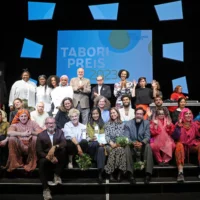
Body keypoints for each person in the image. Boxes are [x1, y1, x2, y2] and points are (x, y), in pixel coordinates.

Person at [36, 117, 66, 200]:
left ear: (55, 124)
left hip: (57, 154)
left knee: (63, 150)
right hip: (45, 156)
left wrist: (55, 146)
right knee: (41, 163)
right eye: (49, 123)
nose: (51, 125)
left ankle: (57, 175)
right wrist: (49, 157)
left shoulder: (60, 132)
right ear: (46, 125)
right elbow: (39, 151)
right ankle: (46, 189)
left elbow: (64, 142)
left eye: (52, 123)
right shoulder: (41, 135)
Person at [124, 107, 154, 184]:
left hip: (142, 146)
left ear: (143, 115)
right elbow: (126, 137)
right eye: (137, 114)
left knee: (148, 146)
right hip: (132, 146)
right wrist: (133, 143)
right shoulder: (128, 123)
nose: (139, 115)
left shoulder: (146, 123)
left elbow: (147, 136)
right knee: (126, 147)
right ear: (135, 114)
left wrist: (142, 143)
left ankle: (148, 174)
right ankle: (130, 174)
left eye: (141, 114)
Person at [172, 108, 200, 182]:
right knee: (179, 145)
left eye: (190, 113)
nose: (188, 115)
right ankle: (180, 173)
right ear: (182, 115)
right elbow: (175, 137)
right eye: (186, 114)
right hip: (181, 145)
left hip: (191, 145)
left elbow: (198, 135)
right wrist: (179, 126)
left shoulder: (195, 124)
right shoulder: (178, 124)